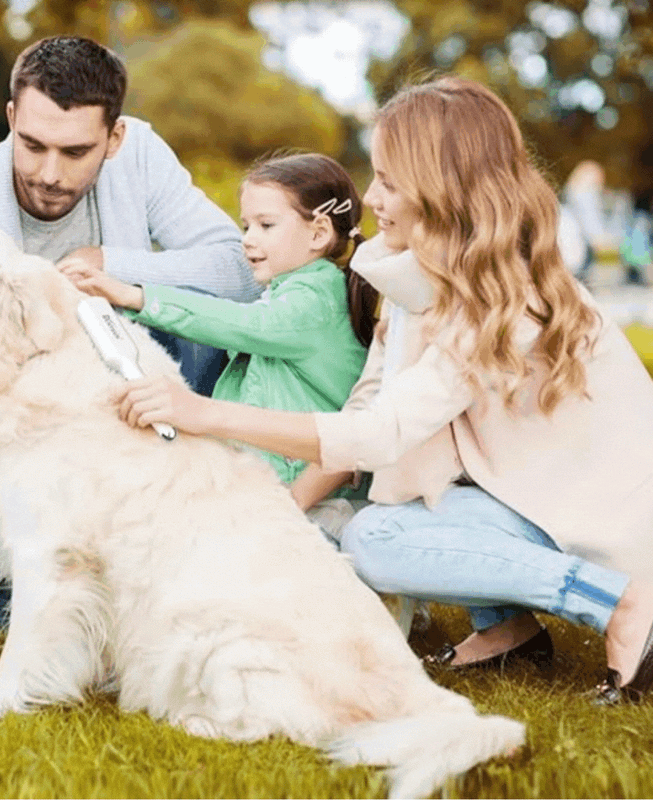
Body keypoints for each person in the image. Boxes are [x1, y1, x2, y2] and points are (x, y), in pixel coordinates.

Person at [114, 75, 653, 706]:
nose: (370, 197)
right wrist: (284, 509)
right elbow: (366, 407)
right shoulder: (421, 282)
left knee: (380, 539)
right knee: (388, 513)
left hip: (601, 515)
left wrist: (205, 414)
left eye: (389, 182)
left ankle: (620, 602)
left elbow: (379, 435)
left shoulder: (501, 300)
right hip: (525, 495)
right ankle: (507, 630)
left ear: (441, 190)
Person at [0, 35, 260, 627]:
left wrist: (112, 268)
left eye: (75, 152)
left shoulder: (139, 156)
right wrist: (0, 371)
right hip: (24, 423)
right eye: (32, 145)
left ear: (114, 138)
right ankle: (5, 573)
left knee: (195, 320)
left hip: (120, 406)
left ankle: (163, 557)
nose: (49, 174)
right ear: (11, 117)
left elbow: (241, 273)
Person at [59, 153, 373, 485]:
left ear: (319, 234)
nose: (248, 239)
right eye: (246, 226)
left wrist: (134, 295)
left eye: (266, 225)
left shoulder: (317, 299)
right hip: (263, 480)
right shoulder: (289, 293)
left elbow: (243, 322)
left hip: (306, 493)